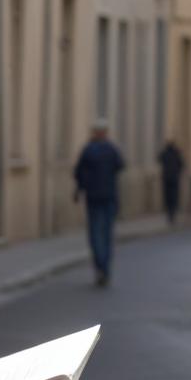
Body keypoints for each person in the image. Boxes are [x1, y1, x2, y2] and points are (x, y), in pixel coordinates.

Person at [73, 119, 125, 286]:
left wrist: (80, 189)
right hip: (109, 196)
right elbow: (121, 165)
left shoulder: (89, 150)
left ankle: (100, 266)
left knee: (96, 233)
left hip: (94, 196)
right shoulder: (111, 149)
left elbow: (78, 172)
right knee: (106, 234)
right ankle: (105, 267)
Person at [157, 139, 185, 225]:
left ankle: (170, 214)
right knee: (173, 197)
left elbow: (159, 159)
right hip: (174, 178)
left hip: (167, 178)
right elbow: (182, 164)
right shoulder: (176, 154)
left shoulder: (166, 153)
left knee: (168, 197)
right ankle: (172, 214)